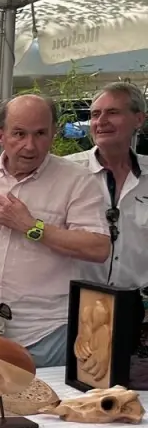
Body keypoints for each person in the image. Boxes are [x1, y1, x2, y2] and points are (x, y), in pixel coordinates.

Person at [0, 94, 109, 369]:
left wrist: (30, 226)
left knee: (44, 399)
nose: (30, 145)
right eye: (19, 134)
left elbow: (98, 248)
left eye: (40, 133)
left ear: (53, 133)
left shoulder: (77, 180)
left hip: (46, 334)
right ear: (0, 135)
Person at [67, 81, 147, 289]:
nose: (101, 121)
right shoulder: (66, 171)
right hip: (76, 300)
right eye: (95, 114)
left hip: (137, 301)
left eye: (112, 112)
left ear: (139, 119)